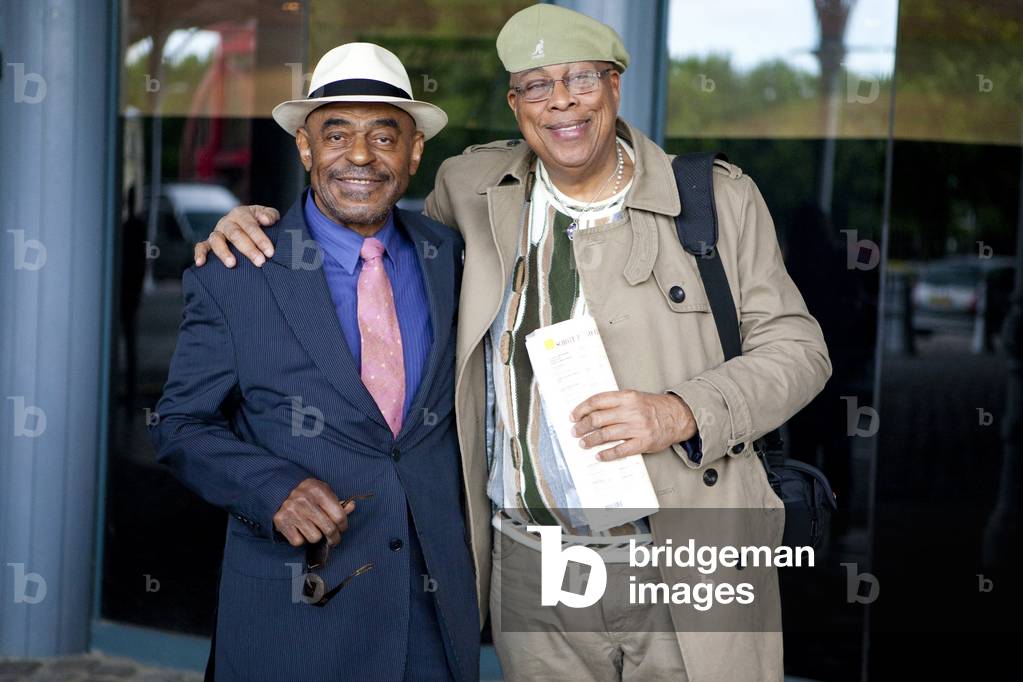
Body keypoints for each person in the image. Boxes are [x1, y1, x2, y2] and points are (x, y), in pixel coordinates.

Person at [193, 6, 832, 681]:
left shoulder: (715, 199)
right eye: (535, 85)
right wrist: (256, 225)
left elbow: (799, 347)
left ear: (614, 84)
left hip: (684, 546)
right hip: (531, 559)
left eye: (580, 78)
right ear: (514, 103)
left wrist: (680, 411)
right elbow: (368, 234)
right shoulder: (471, 191)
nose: (560, 101)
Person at [150, 43, 478, 682]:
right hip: (294, 616)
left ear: (414, 153)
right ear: (305, 149)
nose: (360, 155)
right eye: (337, 134)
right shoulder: (239, 270)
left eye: (385, 136)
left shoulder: (456, 259)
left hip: (432, 617)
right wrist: (273, 489)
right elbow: (178, 425)